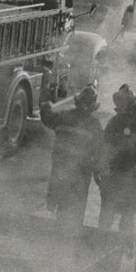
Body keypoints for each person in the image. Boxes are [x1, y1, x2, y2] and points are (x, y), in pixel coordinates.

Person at [40, 84, 102, 230]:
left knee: (60, 202)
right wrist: (99, 174)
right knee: (77, 205)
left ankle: (57, 230)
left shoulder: (64, 116)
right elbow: (100, 151)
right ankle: (72, 235)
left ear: (77, 101)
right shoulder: (94, 125)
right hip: (81, 172)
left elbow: (47, 117)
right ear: (93, 106)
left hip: (61, 167)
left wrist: (46, 105)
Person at [96, 84, 136, 235]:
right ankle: (119, 245)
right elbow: (104, 149)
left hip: (124, 178)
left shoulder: (117, 123)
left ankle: (110, 244)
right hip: (125, 178)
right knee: (120, 217)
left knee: (113, 217)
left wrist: (101, 172)